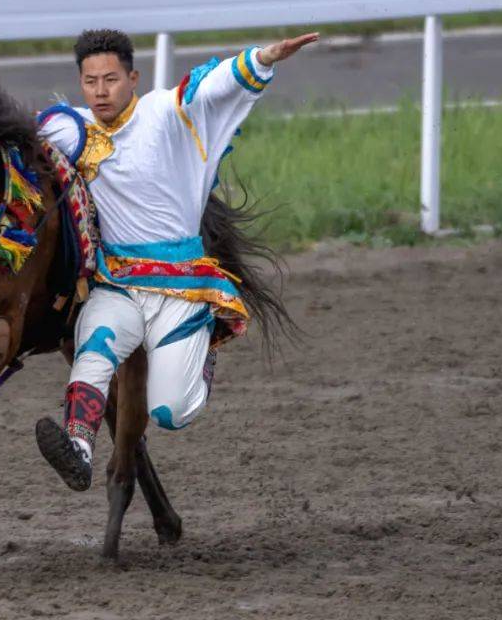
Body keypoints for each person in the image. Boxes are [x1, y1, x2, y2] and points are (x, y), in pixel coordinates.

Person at [35, 28, 319, 490]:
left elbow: (213, 84)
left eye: (110, 79)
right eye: (90, 82)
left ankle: (202, 352)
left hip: (183, 285)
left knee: (169, 412)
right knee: (93, 349)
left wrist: (261, 59)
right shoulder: (69, 127)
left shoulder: (166, 111)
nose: (101, 91)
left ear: (134, 77)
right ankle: (79, 449)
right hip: (119, 282)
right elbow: (7, 139)